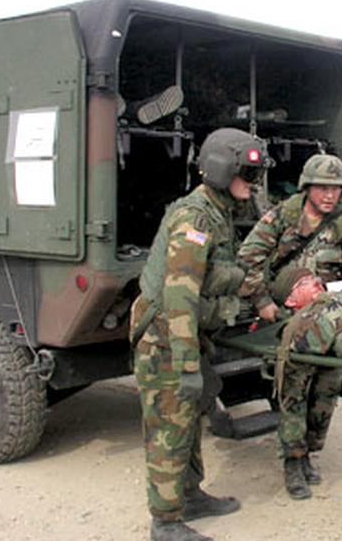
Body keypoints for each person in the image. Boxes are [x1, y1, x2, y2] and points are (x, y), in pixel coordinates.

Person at [129, 128, 272, 541]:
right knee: (170, 427)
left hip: (184, 334)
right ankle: (165, 522)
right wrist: (187, 362)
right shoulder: (195, 217)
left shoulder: (219, 210)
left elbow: (212, 271)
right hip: (165, 337)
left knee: (187, 420)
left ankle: (189, 495)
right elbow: (179, 294)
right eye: (247, 172)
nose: (254, 181)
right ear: (221, 170)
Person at [237, 153, 342, 500]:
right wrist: (263, 301)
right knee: (293, 390)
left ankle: (309, 452)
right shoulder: (283, 215)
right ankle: (292, 462)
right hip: (289, 317)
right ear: (307, 187)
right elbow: (248, 257)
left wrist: (332, 301)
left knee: (325, 390)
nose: (330, 195)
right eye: (323, 187)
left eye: (336, 188)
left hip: (331, 317)